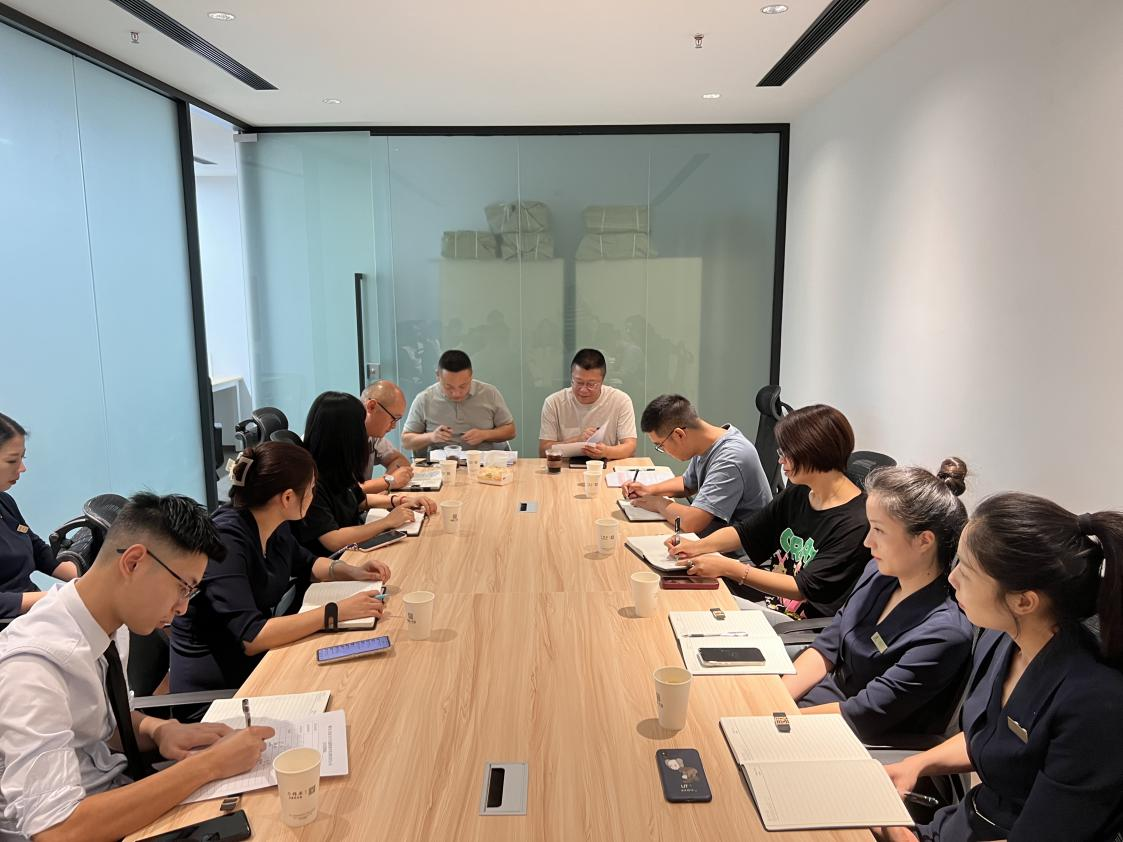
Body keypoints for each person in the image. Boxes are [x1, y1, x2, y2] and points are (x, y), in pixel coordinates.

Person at [0, 492, 275, 842]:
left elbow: (100, 720)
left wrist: (160, 730)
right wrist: (208, 766)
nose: (182, 608)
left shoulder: (106, 622)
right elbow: (57, 831)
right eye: (183, 588)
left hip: (120, 794)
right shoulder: (32, 668)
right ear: (133, 562)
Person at [878, 495, 1123, 842]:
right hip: (962, 823)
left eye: (967, 571)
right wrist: (915, 765)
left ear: (1024, 601)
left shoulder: (1094, 705)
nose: (952, 578)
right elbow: (991, 736)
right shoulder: (1003, 638)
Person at [169, 442, 391, 697]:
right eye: (311, 489)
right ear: (287, 498)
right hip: (223, 691)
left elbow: (306, 562)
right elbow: (252, 637)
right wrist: (335, 612)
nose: (313, 495)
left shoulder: (272, 522)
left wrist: (351, 571)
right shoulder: (226, 542)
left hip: (264, 662)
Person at [782, 460, 974, 742]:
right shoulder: (878, 572)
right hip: (810, 704)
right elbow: (828, 645)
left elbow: (862, 715)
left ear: (924, 541)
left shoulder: (944, 634)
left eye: (879, 531)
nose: (867, 542)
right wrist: (777, 700)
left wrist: (778, 719)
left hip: (845, 736)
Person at [667, 404, 869, 625]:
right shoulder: (801, 492)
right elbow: (746, 532)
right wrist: (697, 546)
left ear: (813, 452)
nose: (781, 460)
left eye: (786, 453)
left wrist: (728, 568)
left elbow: (802, 588)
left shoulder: (855, 523)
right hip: (772, 603)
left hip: (799, 626)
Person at [296, 391, 436, 557]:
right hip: (338, 558)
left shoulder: (335, 465)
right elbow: (333, 540)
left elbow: (359, 500)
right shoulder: (310, 479)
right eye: (360, 428)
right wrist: (387, 522)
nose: (364, 436)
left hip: (354, 546)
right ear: (344, 435)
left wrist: (399, 501)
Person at [621, 395, 772, 538]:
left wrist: (659, 503)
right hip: (717, 536)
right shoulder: (707, 443)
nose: (663, 451)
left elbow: (692, 522)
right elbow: (687, 484)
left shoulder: (731, 458)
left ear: (679, 435)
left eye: (661, 445)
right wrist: (649, 490)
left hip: (744, 551)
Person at [1, 413, 78, 621]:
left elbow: (37, 551)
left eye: (22, 458)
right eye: (12, 460)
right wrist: (55, 598)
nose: (22, 468)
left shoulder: (5, 502)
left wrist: (85, 578)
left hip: (34, 612)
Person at [400, 350, 516, 458]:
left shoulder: (489, 394)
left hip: (485, 464)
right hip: (442, 465)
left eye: (463, 386)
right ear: (438, 376)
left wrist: (485, 435)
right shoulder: (424, 399)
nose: (456, 393)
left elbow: (511, 431)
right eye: (448, 387)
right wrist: (431, 437)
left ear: (471, 376)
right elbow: (406, 441)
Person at [538, 348, 637, 460]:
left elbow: (630, 447)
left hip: (607, 465)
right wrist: (577, 440)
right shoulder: (554, 403)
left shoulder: (620, 400)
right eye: (579, 382)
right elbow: (543, 451)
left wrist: (606, 452)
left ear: (602, 381)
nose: (583, 390)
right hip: (563, 466)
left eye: (591, 384)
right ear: (571, 378)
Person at [359, 380, 415, 495]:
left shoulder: (373, 435)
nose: (394, 426)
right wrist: (388, 482)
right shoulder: (341, 435)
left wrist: (386, 485)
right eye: (394, 418)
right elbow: (342, 492)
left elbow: (400, 460)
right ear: (371, 406)